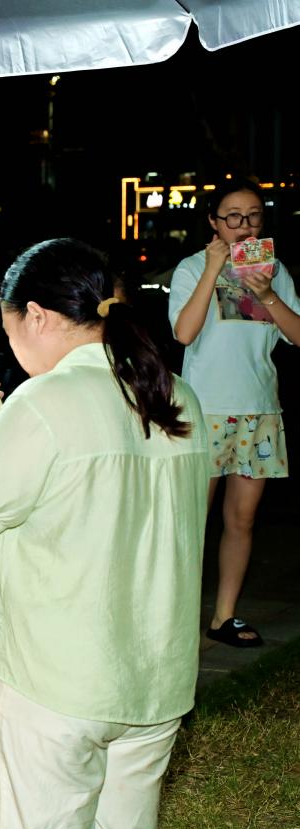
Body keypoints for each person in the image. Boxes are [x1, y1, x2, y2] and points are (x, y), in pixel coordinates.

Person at [0, 238, 210, 829]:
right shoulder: (177, 396)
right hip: (153, 679)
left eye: (10, 332)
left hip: (53, 684)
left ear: (36, 315)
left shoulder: (43, 402)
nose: (13, 350)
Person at [169, 179, 300, 647]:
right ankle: (176, 618)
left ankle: (223, 617)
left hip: (258, 411)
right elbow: (184, 333)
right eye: (233, 217)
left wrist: (267, 294)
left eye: (253, 215)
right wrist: (213, 269)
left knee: (241, 521)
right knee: (192, 522)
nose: (244, 226)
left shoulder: (275, 270)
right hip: (204, 411)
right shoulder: (191, 267)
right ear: (214, 221)